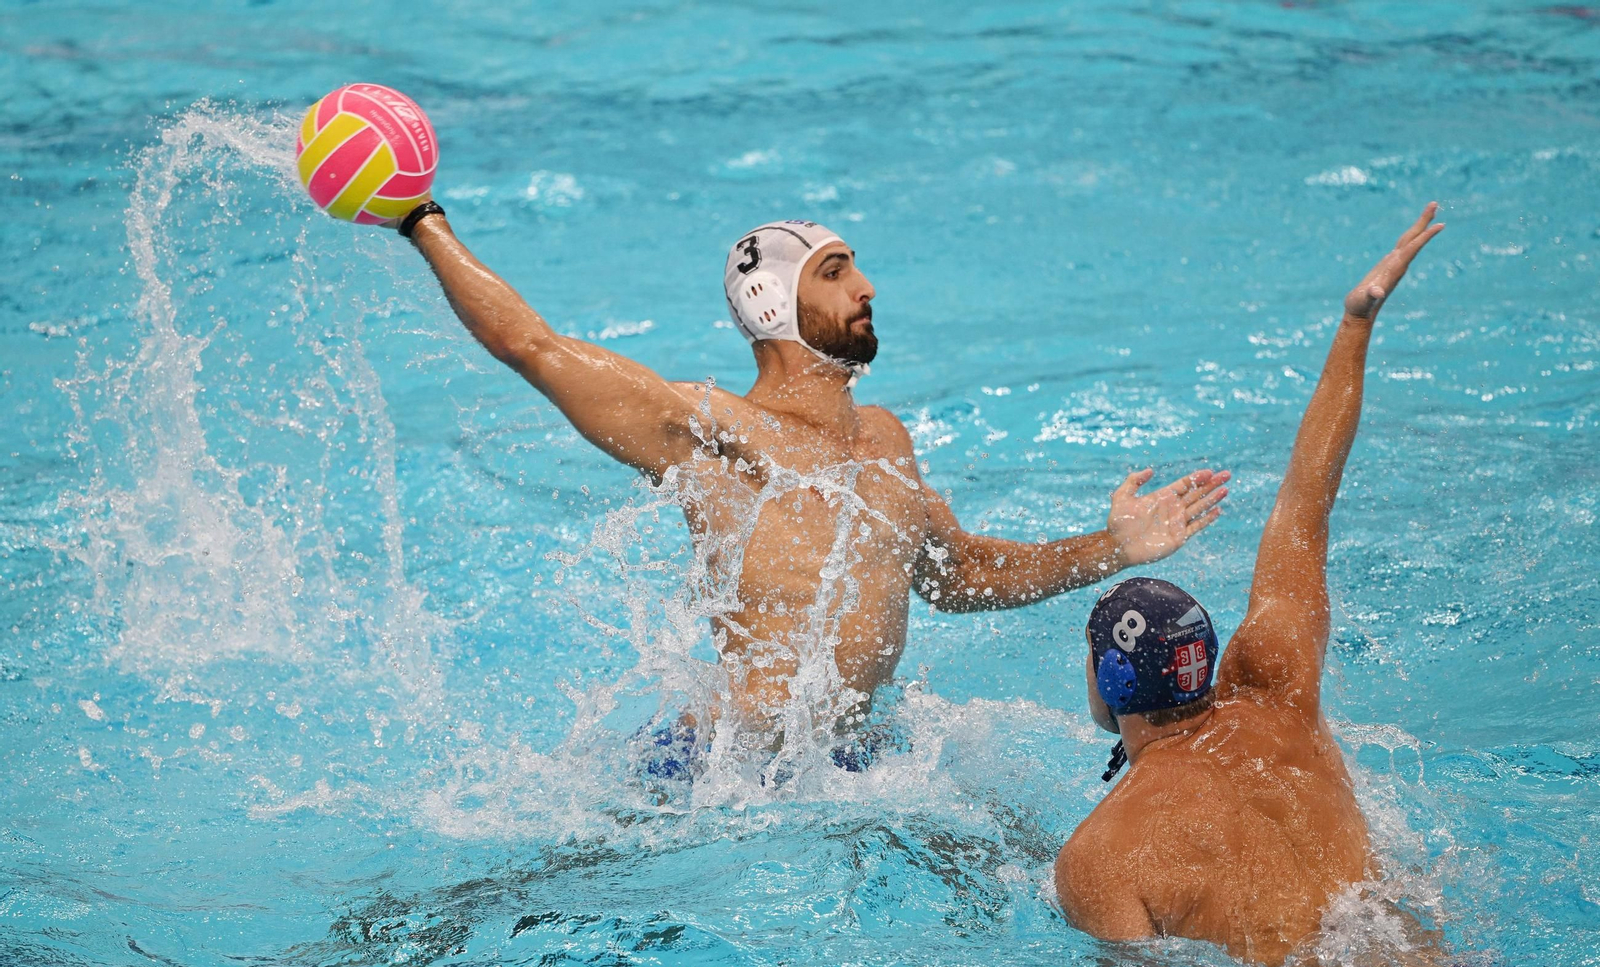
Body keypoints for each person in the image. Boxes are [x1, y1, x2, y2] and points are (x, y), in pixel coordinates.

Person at [391, 204, 1229, 765]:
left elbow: (959, 573)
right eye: (835, 271)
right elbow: (532, 347)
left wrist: (1112, 547)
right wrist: (422, 221)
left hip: (846, 760)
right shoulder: (712, 435)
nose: (866, 287)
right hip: (721, 771)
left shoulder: (885, 440)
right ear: (771, 303)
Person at [1054, 203, 1446, 967]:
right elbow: (1306, 504)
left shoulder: (1097, 859)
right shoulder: (1278, 690)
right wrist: (1354, 325)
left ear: (1105, 683)